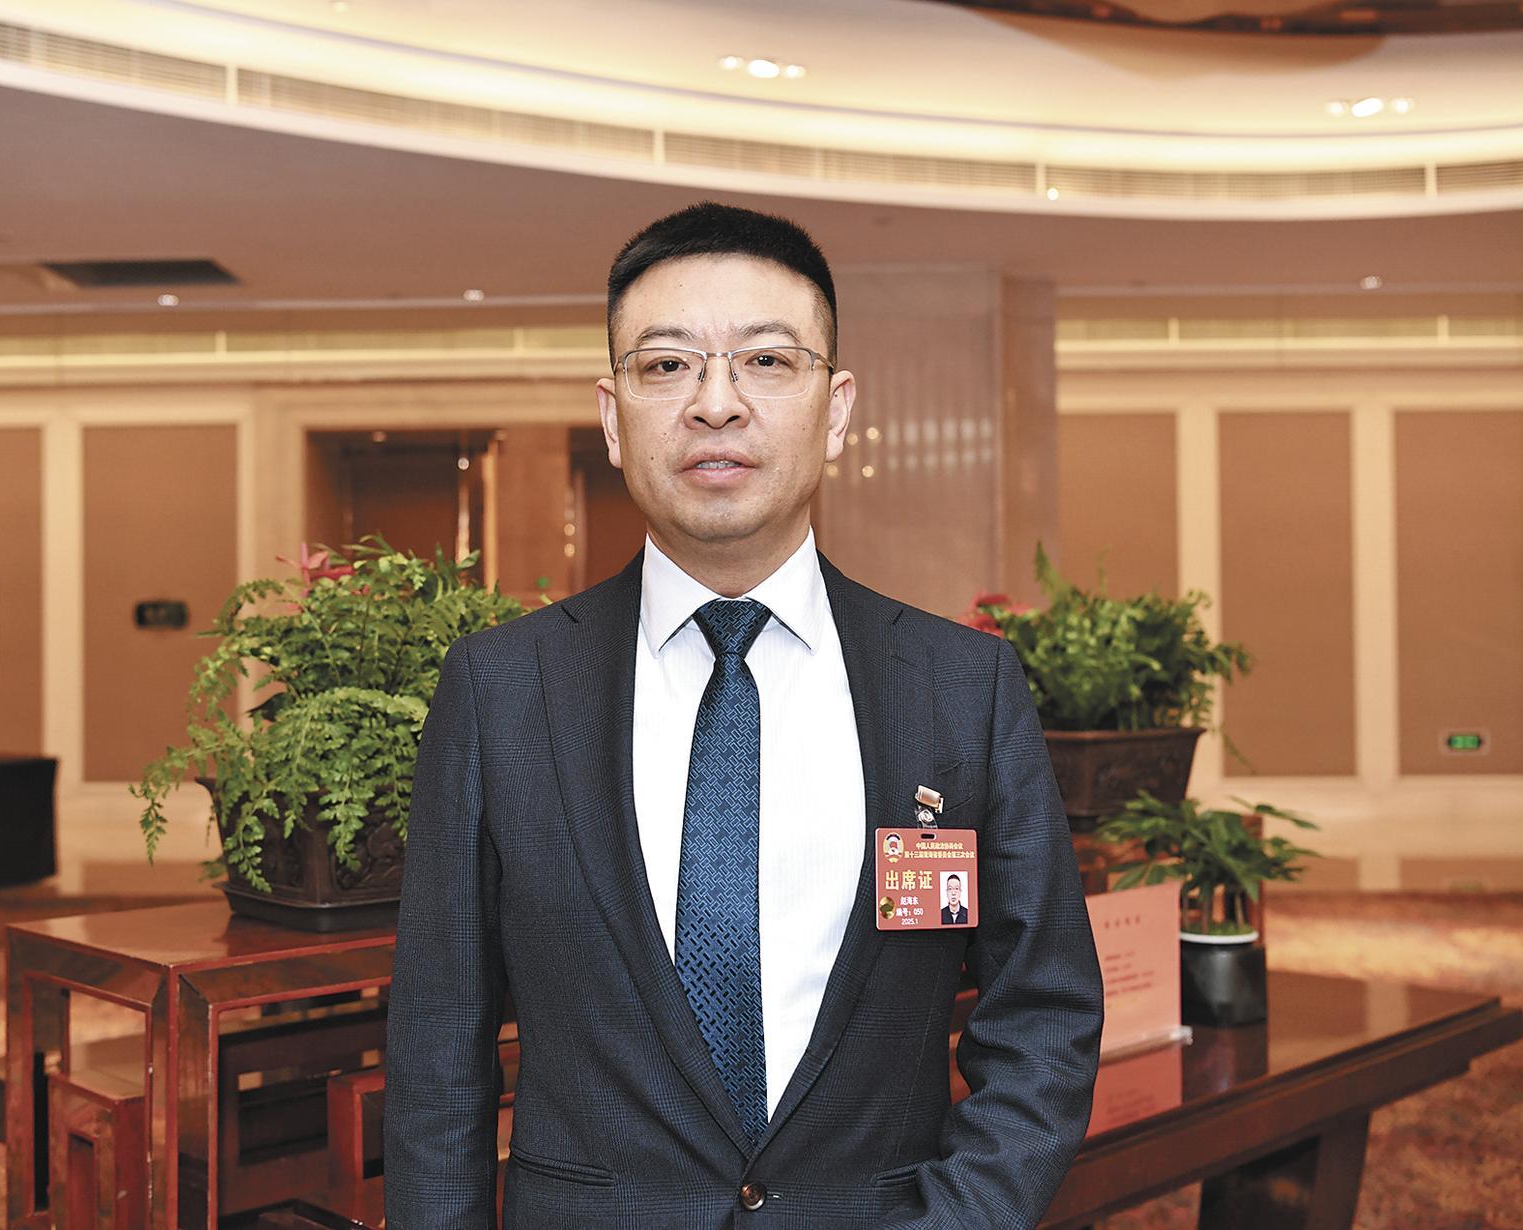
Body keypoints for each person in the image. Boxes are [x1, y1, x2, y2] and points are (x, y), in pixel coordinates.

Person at [385, 201, 1104, 1229]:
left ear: (836, 408)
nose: (715, 404)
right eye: (666, 365)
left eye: (766, 361)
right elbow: (436, 1054)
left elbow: (1044, 1014)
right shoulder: (502, 690)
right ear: (612, 415)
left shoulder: (961, 687)